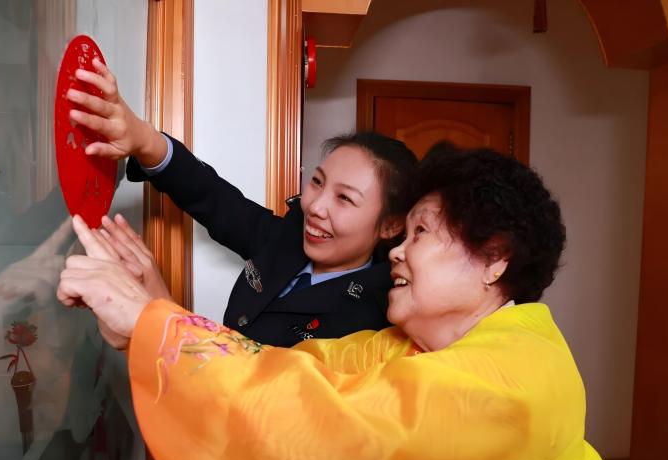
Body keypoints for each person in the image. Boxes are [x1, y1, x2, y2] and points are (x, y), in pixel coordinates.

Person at [58, 141, 624, 460]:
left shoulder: (516, 378)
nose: (397, 252)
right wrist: (152, 324)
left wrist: (152, 322)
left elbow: (329, 431)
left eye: (420, 233)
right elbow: (284, 372)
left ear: (494, 259)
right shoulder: (403, 345)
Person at [67, 58, 418, 347]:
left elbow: (258, 392)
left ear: (391, 225)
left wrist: (157, 313)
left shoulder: (377, 322)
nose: (315, 207)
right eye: (317, 182)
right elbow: (214, 199)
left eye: (344, 198)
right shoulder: (286, 238)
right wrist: (143, 138)